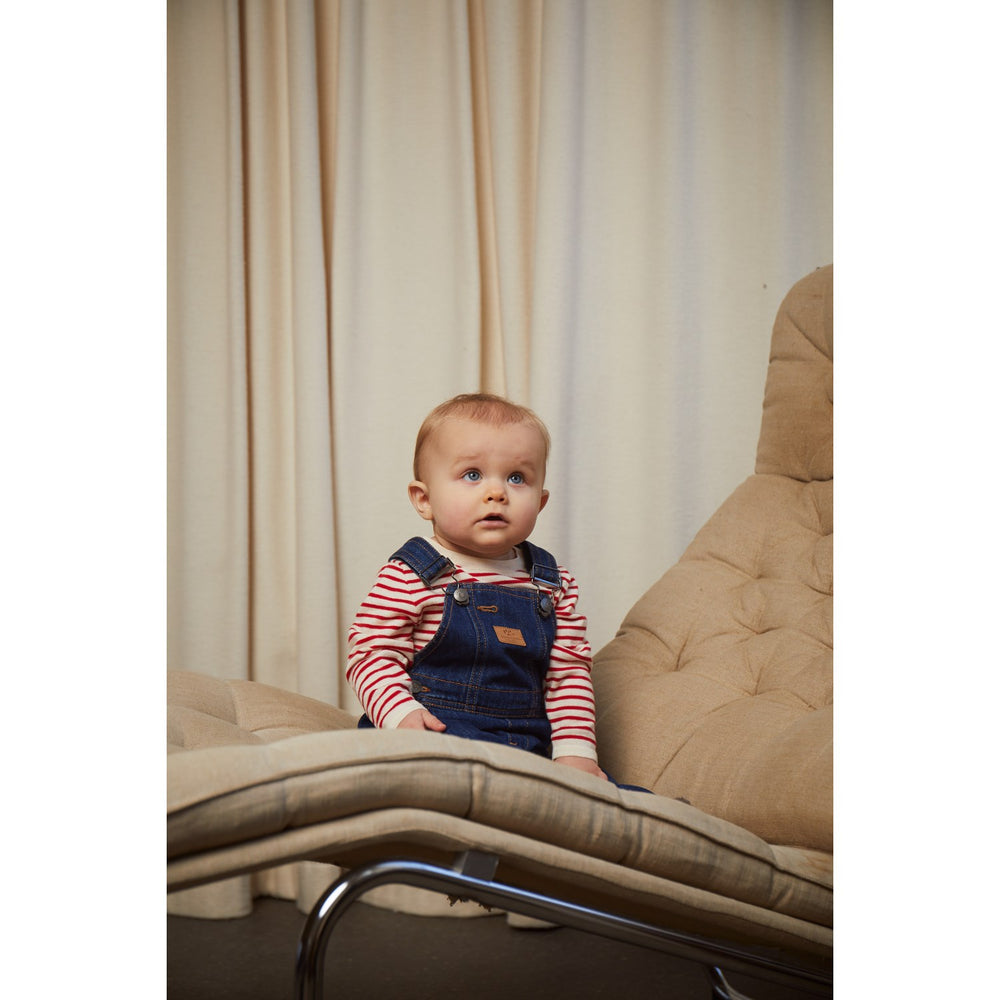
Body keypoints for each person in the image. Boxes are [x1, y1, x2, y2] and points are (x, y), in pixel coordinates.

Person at [346, 392, 608, 782]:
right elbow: (369, 654)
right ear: (424, 499)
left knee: (609, 794)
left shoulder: (552, 583)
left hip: (529, 744)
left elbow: (568, 676)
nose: (496, 492)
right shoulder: (413, 573)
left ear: (540, 503)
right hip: (436, 732)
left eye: (517, 478)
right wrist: (400, 714)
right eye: (472, 474)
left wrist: (575, 753)